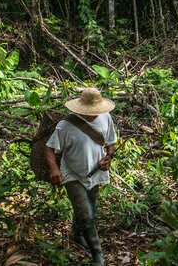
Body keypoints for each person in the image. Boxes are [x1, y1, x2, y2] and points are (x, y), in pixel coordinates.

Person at [44, 87, 117, 266]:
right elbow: (49, 148)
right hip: (72, 173)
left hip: (96, 172)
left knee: (90, 208)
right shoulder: (65, 125)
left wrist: (108, 158)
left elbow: (110, 143)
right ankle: (97, 255)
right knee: (86, 214)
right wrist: (54, 169)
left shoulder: (106, 118)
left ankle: (77, 235)